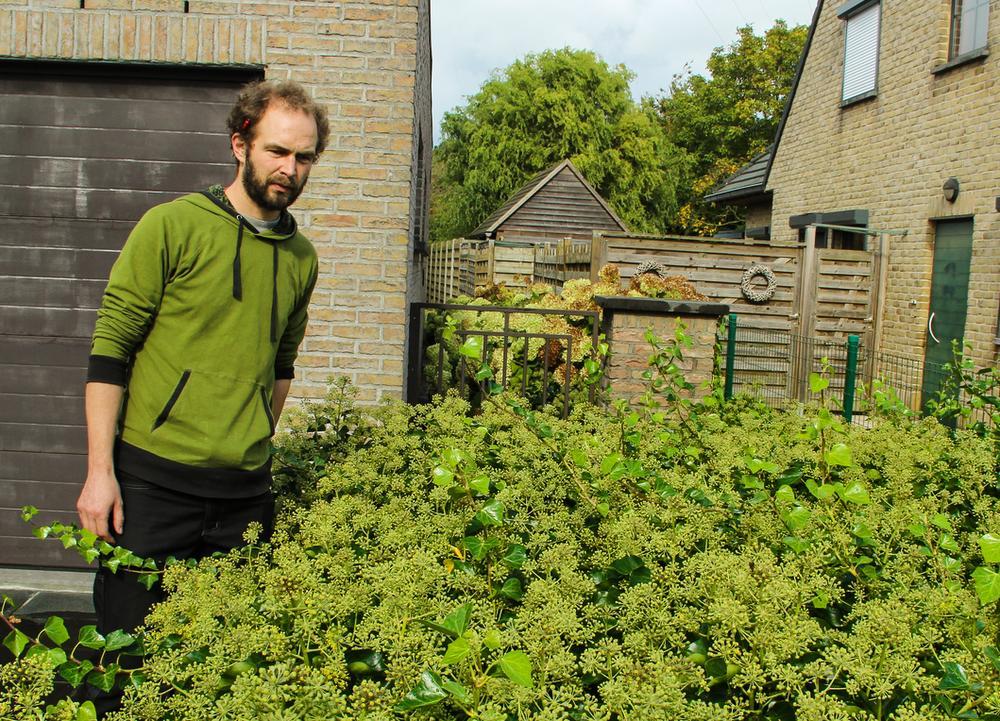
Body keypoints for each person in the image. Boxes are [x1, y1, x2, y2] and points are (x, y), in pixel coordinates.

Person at [75, 79, 327, 710]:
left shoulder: (301, 257)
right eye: (276, 151)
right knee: (121, 665)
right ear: (239, 142)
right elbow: (111, 351)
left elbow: (281, 363)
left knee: (219, 672)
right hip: (152, 490)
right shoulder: (172, 226)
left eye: (303, 158)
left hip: (242, 499)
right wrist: (99, 474)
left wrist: (250, 434)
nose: (288, 169)